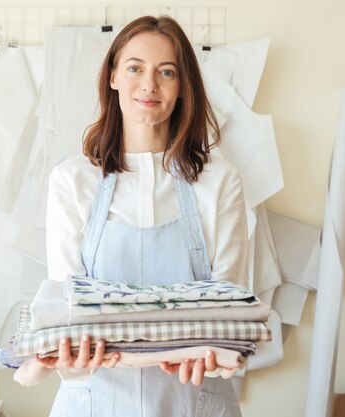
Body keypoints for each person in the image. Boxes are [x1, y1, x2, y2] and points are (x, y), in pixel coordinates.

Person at [40, 15, 248, 417]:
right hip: (95, 400)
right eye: (135, 67)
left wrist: (219, 350)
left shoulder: (220, 182)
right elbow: (68, 312)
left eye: (166, 71)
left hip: (192, 399)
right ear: (113, 76)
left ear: (184, 86)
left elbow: (231, 313)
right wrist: (69, 354)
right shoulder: (71, 182)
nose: (149, 84)